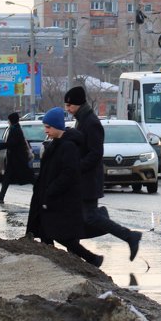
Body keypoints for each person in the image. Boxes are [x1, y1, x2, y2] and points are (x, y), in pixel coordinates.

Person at [64, 85, 143, 260]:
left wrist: (77, 167)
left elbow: (95, 153)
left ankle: (130, 236)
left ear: (77, 104)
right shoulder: (81, 119)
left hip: (89, 180)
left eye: (69, 106)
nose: (67, 109)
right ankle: (77, 255)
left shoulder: (91, 122)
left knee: (91, 218)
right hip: (83, 180)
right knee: (79, 217)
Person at [25, 107, 104, 267]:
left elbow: (68, 174)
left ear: (56, 127)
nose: (45, 130)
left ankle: (91, 259)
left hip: (60, 199)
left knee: (59, 233)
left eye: (48, 127)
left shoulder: (68, 146)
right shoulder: (56, 144)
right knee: (46, 231)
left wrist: (51, 190)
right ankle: (52, 263)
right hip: (49, 196)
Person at [0, 112, 34, 204]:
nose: (8, 122)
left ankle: (42, 191)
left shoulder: (15, 130)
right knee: (7, 178)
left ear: (11, 120)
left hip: (18, 159)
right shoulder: (15, 128)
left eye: (8, 120)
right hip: (14, 159)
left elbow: (12, 144)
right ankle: (1, 196)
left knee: (30, 177)